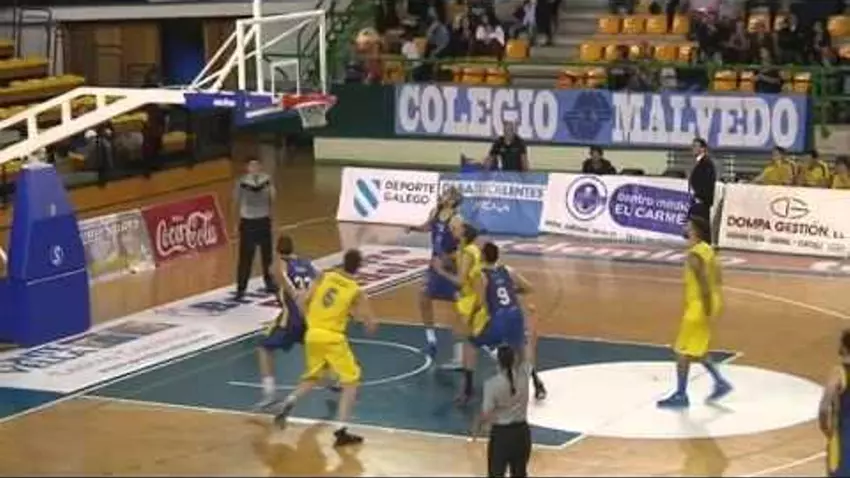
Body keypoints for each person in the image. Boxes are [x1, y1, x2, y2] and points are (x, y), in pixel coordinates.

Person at [273, 249, 378, 447]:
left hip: (313, 334)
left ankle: (289, 401)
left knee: (313, 377)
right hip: (333, 338)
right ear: (359, 267)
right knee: (351, 381)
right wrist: (357, 315)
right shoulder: (356, 291)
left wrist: (311, 318)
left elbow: (302, 300)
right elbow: (369, 323)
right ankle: (341, 430)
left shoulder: (324, 276)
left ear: (343, 262)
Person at [657, 215, 732, 408]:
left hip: (700, 306)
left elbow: (704, 284)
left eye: (688, 226)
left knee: (682, 350)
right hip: (712, 301)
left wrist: (705, 308)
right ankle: (720, 383)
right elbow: (719, 278)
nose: (685, 228)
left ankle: (681, 395)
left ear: (695, 230)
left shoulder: (695, 255)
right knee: (698, 349)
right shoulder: (708, 250)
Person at [253, 235, 329, 410]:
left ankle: (269, 394)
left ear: (277, 250)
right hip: (309, 317)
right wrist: (309, 293)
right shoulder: (306, 263)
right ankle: (333, 380)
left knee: (264, 349)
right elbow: (322, 276)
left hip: (291, 318)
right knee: (318, 351)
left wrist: (294, 294)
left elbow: (279, 275)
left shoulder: (279, 264)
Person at [475, 242, 547, 400]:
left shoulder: (482, 275)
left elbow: (481, 303)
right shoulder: (508, 270)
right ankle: (537, 383)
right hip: (515, 314)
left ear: (483, 256)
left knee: (476, 341)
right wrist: (513, 291)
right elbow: (529, 287)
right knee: (522, 352)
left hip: (499, 317)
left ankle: (511, 386)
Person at [407, 188, 463, 362]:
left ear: (452, 201)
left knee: (461, 308)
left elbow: (463, 247)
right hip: (435, 263)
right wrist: (414, 228)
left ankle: (466, 349)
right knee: (423, 296)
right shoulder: (435, 212)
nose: (442, 196)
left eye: (446, 195)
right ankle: (431, 341)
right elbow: (428, 226)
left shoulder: (456, 220)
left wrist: (449, 258)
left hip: (451, 266)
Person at [435, 222, 486, 400]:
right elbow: (456, 260)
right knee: (460, 333)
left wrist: (440, 271)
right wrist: (446, 258)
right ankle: (460, 362)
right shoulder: (467, 249)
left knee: (473, 339)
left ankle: (509, 364)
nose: (452, 230)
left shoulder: (468, 252)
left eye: (456, 229)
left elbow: (460, 280)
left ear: (464, 234)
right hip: (468, 297)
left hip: (472, 299)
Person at [472, 345, 533, 478]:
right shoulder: (524, 377)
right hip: (522, 433)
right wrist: (531, 337)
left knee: (496, 474)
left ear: (498, 362)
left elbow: (486, 413)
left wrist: (477, 426)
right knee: (520, 474)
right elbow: (529, 355)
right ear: (514, 359)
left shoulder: (492, 384)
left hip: (502, 436)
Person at [233, 158, 277, 300]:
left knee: (267, 256)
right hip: (248, 222)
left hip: (263, 220)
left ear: (260, 166)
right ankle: (241, 287)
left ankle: (269, 283)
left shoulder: (267, 180)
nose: (254, 168)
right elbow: (236, 201)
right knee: (245, 257)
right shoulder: (241, 182)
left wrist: (271, 216)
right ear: (247, 168)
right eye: (251, 165)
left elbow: (272, 198)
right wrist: (236, 222)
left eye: (257, 165)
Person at [818, 329, 850, 478]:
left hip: (843, 438)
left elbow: (824, 407)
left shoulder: (838, 372)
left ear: (844, 347)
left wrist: (826, 429)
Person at [688, 138, 716, 241]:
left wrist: (699, 197)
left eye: (695, 146)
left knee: (698, 230)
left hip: (702, 204)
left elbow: (707, 184)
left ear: (703, 149)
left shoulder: (706, 164)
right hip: (698, 202)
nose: (693, 148)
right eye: (692, 146)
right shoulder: (698, 163)